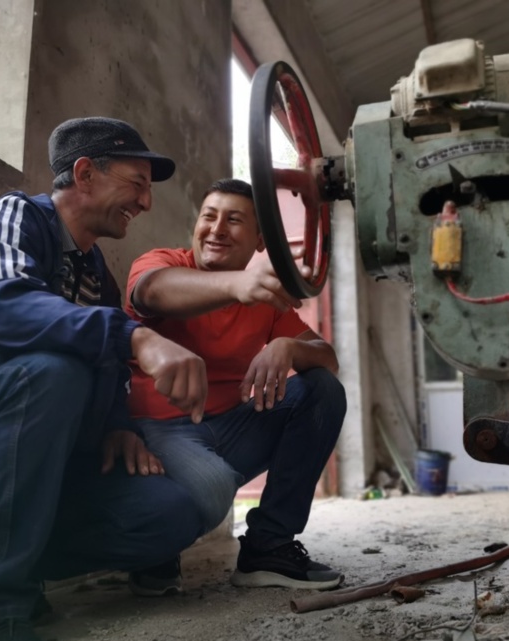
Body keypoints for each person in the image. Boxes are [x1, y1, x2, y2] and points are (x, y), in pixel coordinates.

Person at [0, 117, 210, 641]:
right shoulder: (11, 217)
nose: (146, 203)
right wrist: (136, 338)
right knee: (53, 374)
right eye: (136, 184)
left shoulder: (96, 275)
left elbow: (107, 373)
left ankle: (20, 564)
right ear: (84, 173)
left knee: (170, 513)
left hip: (39, 478)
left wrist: (117, 425)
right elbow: (9, 307)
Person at [125, 178, 347, 591]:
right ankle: (154, 548)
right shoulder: (163, 264)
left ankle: (268, 548)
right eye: (209, 216)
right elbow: (151, 292)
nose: (217, 229)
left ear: (260, 240)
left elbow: (326, 356)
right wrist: (236, 286)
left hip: (231, 428)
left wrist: (287, 347)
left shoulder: (262, 295)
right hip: (160, 433)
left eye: (234, 220)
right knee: (208, 490)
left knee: (322, 390)